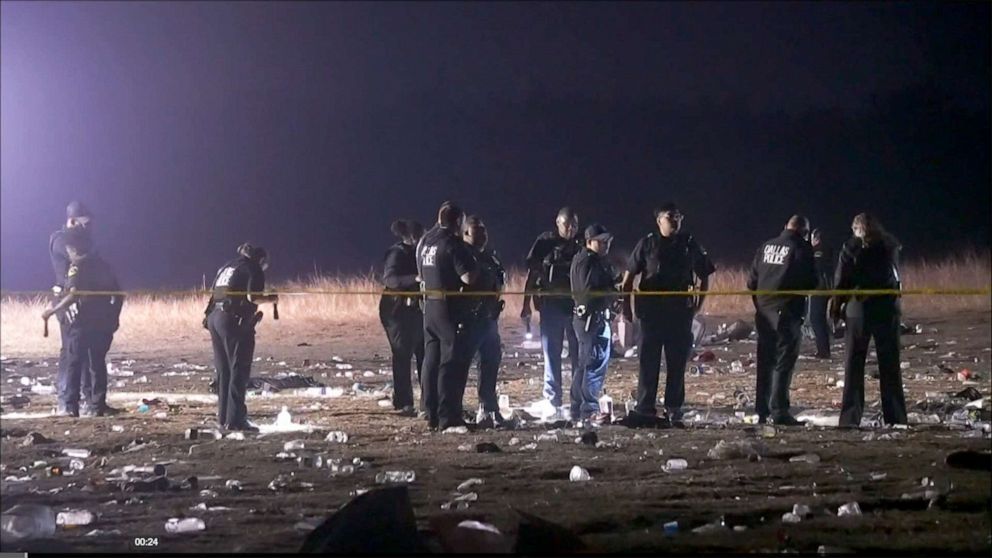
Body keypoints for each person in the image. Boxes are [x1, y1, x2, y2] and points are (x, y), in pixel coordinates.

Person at [621, 203, 715, 428]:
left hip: (679, 314)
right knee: (648, 362)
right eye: (670, 216)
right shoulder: (647, 244)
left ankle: (674, 407)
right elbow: (628, 277)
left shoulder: (689, 244)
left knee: (677, 363)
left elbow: (705, 275)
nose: (675, 220)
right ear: (659, 220)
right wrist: (626, 308)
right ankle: (645, 407)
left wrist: (698, 304)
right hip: (651, 314)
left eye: (678, 216)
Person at [830, 213, 907, 427]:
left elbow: (841, 280)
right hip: (887, 309)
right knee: (890, 365)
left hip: (858, 310)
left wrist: (836, 309)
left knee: (854, 364)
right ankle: (896, 417)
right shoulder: (890, 245)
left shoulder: (851, 247)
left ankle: (850, 418)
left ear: (856, 229)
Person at [41, 229, 124, 417]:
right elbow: (118, 294)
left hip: (81, 321)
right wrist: (114, 316)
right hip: (101, 321)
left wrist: (53, 310)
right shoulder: (103, 265)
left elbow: (73, 294)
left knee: (74, 361)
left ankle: (70, 406)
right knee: (96, 362)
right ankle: (96, 405)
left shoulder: (77, 266)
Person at [746, 215, 818, 426]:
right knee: (784, 361)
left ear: (785, 226)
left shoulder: (766, 245)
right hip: (787, 312)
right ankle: (779, 410)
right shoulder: (801, 248)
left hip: (763, 312)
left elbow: (751, 281)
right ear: (804, 232)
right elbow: (812, 281)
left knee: (765, 361)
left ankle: (762, 410)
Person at [417, 201, 479, 431]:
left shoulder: (427, 242)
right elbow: (468, 277)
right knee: (450, 362)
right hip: (448, 308)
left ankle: (430, 412)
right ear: (457, 222)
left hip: (429, 307)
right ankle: (448, 416)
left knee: (431, 361)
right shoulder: (452, 244)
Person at [204, 243, 277, 432]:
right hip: (233, 321)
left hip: (214, 319)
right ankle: (236, 420)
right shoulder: (254, 268)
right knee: (239, 369)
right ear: (260, 259)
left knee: (224, 371)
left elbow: (214, 294)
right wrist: (271, 299)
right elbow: (254, 297)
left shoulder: (228, 266)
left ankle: (224, 419)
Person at [521, 207, 582, 421]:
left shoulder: (583, 243)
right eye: (567, 224)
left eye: (575, 224)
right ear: (558, 222)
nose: (571, 229)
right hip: (551, 305)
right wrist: (525, 303)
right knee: (551, 354)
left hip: (575, 307)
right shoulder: (545, 243)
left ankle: (578, 399)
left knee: (578, 355)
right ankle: (552, 398)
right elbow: (533, 273)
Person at [49, 201, 109, 412]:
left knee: (87, 352)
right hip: (68, 301)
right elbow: (76, 258)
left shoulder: (85, 240)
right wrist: (93, 257)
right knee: (72, 353)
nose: (87, 228)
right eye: (83, 223)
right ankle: (67, 402)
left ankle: (90, 401)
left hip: (87, 302)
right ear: (72, 220)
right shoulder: (60, 238)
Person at [570, 224, 619, 427]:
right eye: (601, 241)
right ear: (589, 242)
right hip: (593, 319)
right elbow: (590, 291)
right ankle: (588, 408)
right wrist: (612, 290)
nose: (606, 245)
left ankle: (578, 405)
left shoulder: (584, 259)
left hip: (587, 319)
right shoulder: (588, 262)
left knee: (584, 363)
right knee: (594, 362)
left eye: (607, 241)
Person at [460, 216, 507, 428]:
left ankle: (489, 408)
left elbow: (499, 282)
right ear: (466, 233)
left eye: (484, 231)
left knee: (490, 364)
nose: (483, 236)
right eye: (477, 231)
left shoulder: (490, 257)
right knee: (460, 367)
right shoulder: (462, 256)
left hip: (489, 319)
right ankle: (455, 410)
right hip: (468, 321)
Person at [379, 219, 426, 417]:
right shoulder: (397, 253)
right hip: (397, 312)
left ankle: (428, 400)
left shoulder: (421, 254)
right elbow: (390, 279)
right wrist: (415, 278)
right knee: (402, 355)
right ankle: (404, 402)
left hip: (418, 310)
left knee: (425, 354)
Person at [808, 229, 834, 358]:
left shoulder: (817, 251)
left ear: (816, 238)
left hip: (819, 288)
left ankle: (823, 351)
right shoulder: (829, 249)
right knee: (820, 319)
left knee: (816, 319)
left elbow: (816, 270)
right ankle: (824, 349)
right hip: (825, 287)